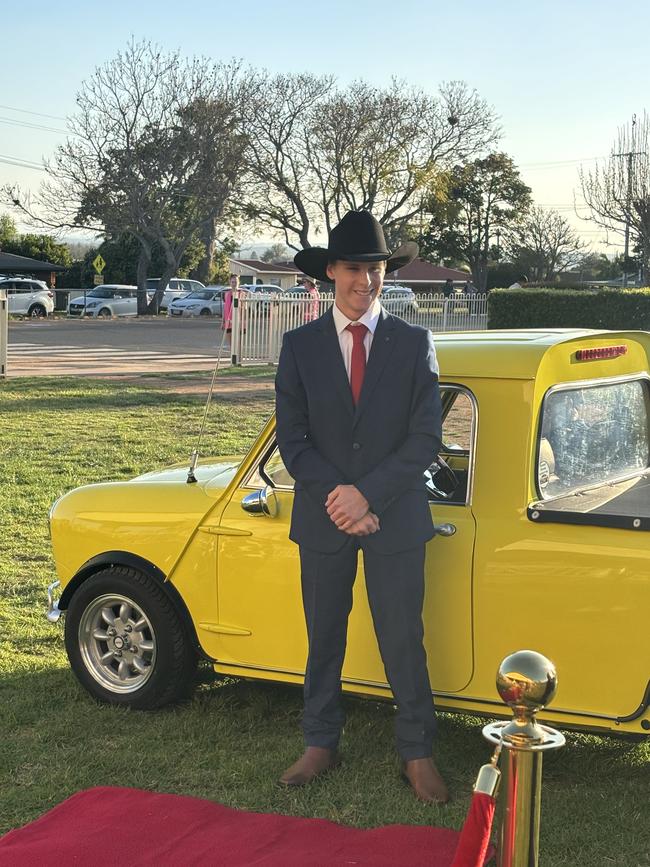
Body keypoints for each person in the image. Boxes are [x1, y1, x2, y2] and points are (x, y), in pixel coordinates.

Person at [275, 210, 448, 803]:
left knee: (403, 637)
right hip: (324, 520)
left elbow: (426, 438)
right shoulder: (298, 347)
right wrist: (342, 500)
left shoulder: (414, 343)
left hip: (394, 517)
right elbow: (292, 439)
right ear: (331, 272)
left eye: (374, 269)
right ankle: (320, 743)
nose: (365, 281)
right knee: (324, 635)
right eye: (353, 268)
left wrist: (367, 495)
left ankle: (417, 752)